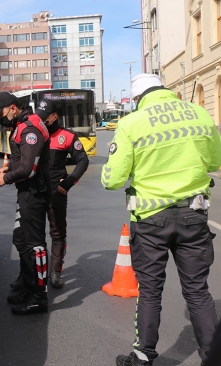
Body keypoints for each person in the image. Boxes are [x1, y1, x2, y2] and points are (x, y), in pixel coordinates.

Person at [102, 74, 221, 366]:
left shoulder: (132, 123)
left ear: (139, 98)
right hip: (194, 216)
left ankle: (143, 358)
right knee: (197, 291)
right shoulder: (199, 114)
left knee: (151, 291)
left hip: (151, 221)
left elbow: (113, 179)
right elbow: (214, 162)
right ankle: (213, 357)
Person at [0, 91, 51, 315]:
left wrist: (5, 178)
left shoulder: (30, 129)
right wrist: (7, 168)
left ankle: (39, 296)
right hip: (26, 191)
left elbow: (28, 169)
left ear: (13, 108)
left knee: (35, 246)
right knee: (20, 239)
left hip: (34, 193)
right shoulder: (22, 124)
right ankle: (28, 284)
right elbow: (21, 160)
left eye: (1, 113)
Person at [37, 98, 89, 288]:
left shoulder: (66, 136)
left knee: (57, 233)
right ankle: (35, 273)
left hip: (56, 192)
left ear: (55, 116)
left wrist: (68, 183)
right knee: (33, 235)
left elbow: (82, 160)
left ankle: (55, 272)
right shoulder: (34, 133)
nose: (42, 121)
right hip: (35, 190)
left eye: (46, 118)